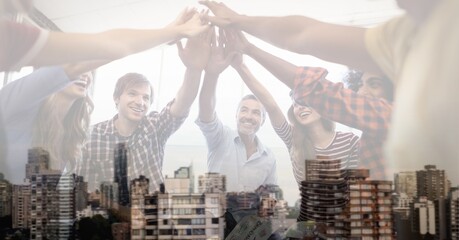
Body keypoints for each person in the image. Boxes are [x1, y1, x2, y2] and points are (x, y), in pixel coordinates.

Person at [200, 0, 459, 177]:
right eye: (361, 85)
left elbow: (322, 91)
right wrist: (241, 37)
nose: (363, 93)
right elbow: (303, 34)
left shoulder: (354, 138)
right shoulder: (296, 140)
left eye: (375, 85)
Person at [225, 30, 391, 179]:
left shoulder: (350, 142)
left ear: (321, 106)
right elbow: (271, 105)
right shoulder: (293, 139)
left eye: (305, 102)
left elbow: (358, 184)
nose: (300, 107)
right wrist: (240, 67)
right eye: (296, 105)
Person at [80, 29, 212, 192]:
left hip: (155, 215)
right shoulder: (93, 136)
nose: (140, 102)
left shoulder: (154, 126)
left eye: (146, 97)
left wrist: (194, 69)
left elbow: (183, 102)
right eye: (132, 94)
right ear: (116, 98)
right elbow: (86, 191)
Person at [0, 4, 209, 72]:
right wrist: (174, 32)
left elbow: (87, 59)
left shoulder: (14, 38)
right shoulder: (9, 37)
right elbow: (111, 45)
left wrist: (170, 32)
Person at [195, 29, 277, 192]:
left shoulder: (269, 157)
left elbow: (268, 198)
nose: (249, 116)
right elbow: (206, 111)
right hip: (214, 217)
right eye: (244, 110)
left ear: (262, 120)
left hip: (249, 218)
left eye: (256, 112)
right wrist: (212, 74)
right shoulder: (220, 137)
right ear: (236, 115)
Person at [0, 65, 95, 184]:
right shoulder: (22, 105)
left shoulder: (69, 132)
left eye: (90, 69)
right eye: (80, 65)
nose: (86, 73)